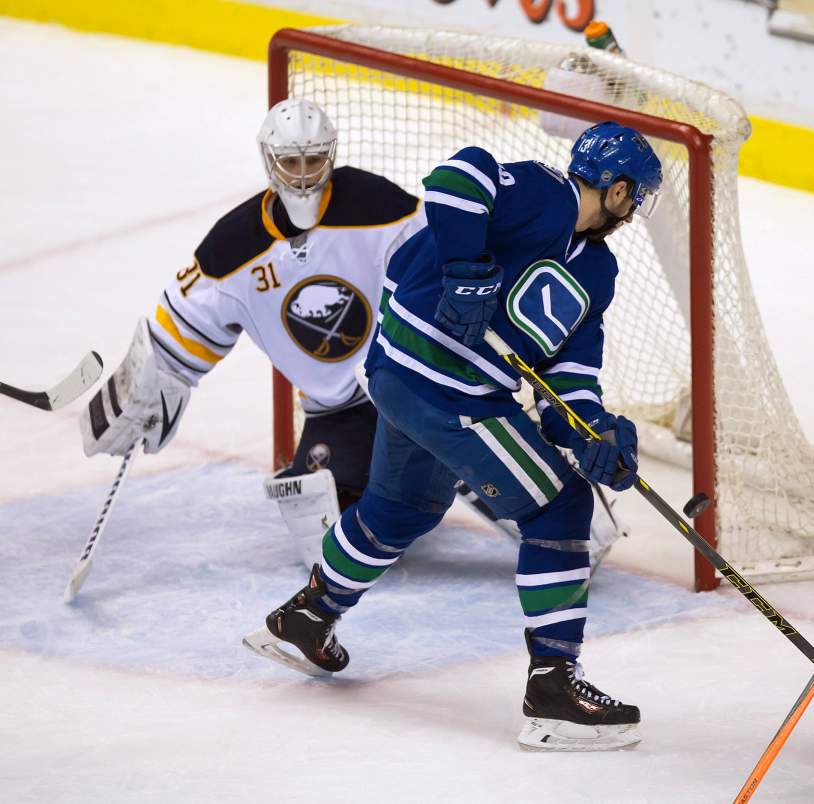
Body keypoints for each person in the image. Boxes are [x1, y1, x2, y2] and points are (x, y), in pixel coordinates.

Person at [244, 121, 663, 753]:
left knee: (403, 507)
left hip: (411, 383)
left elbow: (569, 371)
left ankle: (307, 616)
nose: (634, 213)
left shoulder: (597, 272)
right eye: (636, 197)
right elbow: (456, 178)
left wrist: (593, 430)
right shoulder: (543, 194)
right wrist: (466, 268)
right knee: (560, 505)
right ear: (617, 187)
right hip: (444, 384)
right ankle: (554, 690)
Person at [79, 99, 422, 567]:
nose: (303, 174)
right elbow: (179, 333)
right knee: (326, 539)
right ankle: (412, 475)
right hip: (340, 410)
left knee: (481, 473)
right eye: (291, 161)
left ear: (331, 156)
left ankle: (443, 458)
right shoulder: (233, 247)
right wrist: (146, 382)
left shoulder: (378, 206)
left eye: (314, 160)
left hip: (411, 384)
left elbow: (435, 273)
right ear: (269, 160)